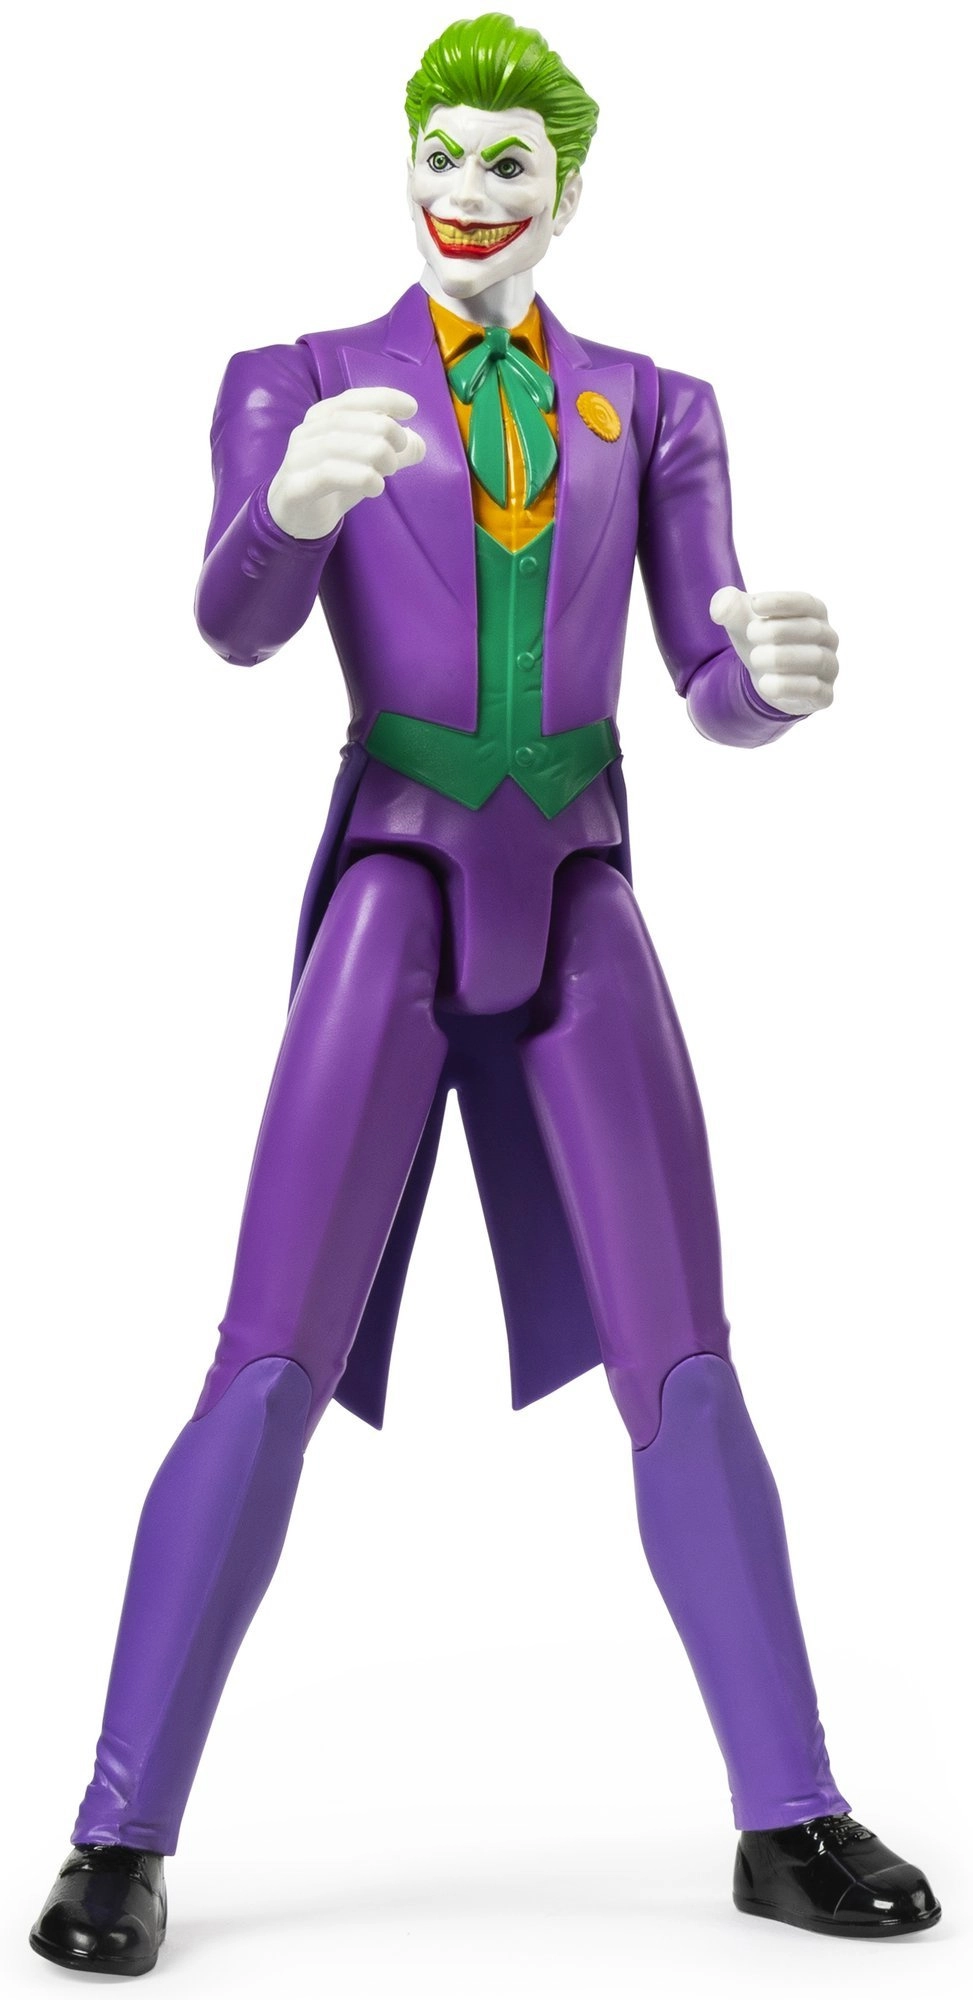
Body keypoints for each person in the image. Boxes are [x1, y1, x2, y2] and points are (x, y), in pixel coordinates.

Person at [30, 11, 940, 1975]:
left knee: (684, 1355)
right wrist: (283, 513)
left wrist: (768, 684)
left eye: (507, 159)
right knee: (265, 1351)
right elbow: (233, 621)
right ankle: (118, 1831)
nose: (468, 190)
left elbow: (706, 668)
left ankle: (789, 1808)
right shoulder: (299, 380)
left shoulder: (656, 406)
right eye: (441, 151)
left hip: (583, 891)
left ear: (568, 188)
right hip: (399, 880)